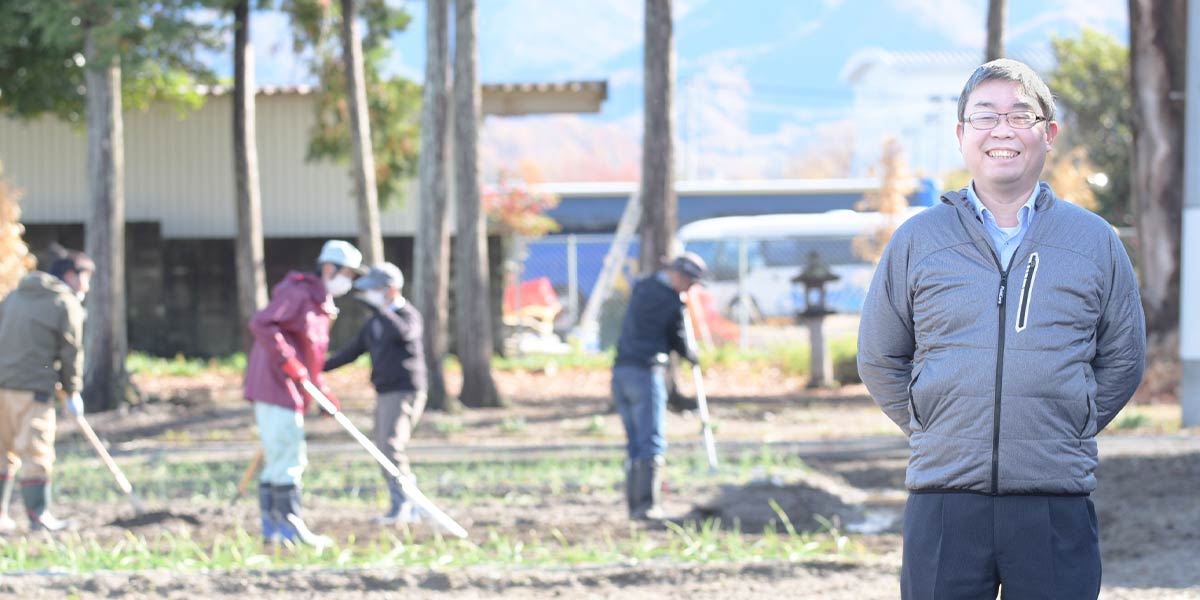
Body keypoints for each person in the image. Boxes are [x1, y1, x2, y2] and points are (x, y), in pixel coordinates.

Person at [857, 58, 1146, 599]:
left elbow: (1124, 359)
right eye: (985, 116)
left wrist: (1071, 419)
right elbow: (879, 358)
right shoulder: (919, 240)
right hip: (944, 498)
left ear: (1049, 133)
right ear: (962, 135)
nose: (1003, 130)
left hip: (1054, 496)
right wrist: (931, 421)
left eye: (1021, 115)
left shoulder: (1094, 240)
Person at [244, 239, 363, 547]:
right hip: (275, 387)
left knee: (279, 457)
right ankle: (288, 528)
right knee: (288, 456)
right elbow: (263, 324)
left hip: (290, 389)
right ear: (328, 268)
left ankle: (273, 529)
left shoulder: (320, 303)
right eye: (346, 273)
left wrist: (321, 389)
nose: (348, 281)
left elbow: (309, 356)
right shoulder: (298, 294)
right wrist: (290, 364)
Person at [324, 262, 427, 524]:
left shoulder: (406, 315)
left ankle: (404, 503)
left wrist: (382, 310)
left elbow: (404, 333)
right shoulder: (373, 324)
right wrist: (316, 366)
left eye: (375, 290)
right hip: (384, 390)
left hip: (404, 390)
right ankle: (404, 501)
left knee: (390, 445)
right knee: (382, 447)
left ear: (391, 290)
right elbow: (350, 352)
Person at [0, 247, 93, 531]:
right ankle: (38, 514)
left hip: (2, 384)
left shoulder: (14, 295)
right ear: (71, 276)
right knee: (36, 452)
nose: (87, 287)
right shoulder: (65, 303)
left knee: (2, 452)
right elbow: (71, 351)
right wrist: (72, 390)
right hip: (34, 391)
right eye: (86, 278)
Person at [611, 252, 705, 520]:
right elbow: (677, 338)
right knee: (651, 439)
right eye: (691, 282)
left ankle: (635, 504)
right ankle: (647, 505)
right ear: (679, 276)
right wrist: (691, 354)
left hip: (621, 372)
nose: (691, 288)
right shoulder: (670, 301)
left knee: (634, 442)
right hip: (645, 372)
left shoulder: (642, 288)